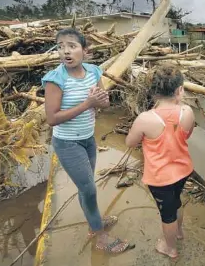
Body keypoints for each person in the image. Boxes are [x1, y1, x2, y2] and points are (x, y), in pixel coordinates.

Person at [42, 28, 133, 254]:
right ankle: (99, 235)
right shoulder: (55, 79)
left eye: (71, 46)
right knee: (89, 189)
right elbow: (52, 119)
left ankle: (95, 223)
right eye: (60, 46)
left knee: (86, 186)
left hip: (87, 139)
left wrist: (100, 101)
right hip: (67, 143)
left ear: (85, 51)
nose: (65, 51)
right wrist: (87, 103)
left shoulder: (93, 71)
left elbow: (104, 103)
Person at [125, 65, 195, 259]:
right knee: (176, 201)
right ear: (179, 90)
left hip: (160, 178)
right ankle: (179, 233)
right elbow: (187, 134)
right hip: (183, 170)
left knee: (167, 214)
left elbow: (130, 142)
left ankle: (170, 247)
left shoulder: (145, 119)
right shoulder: (187, 112)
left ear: (153, 91)